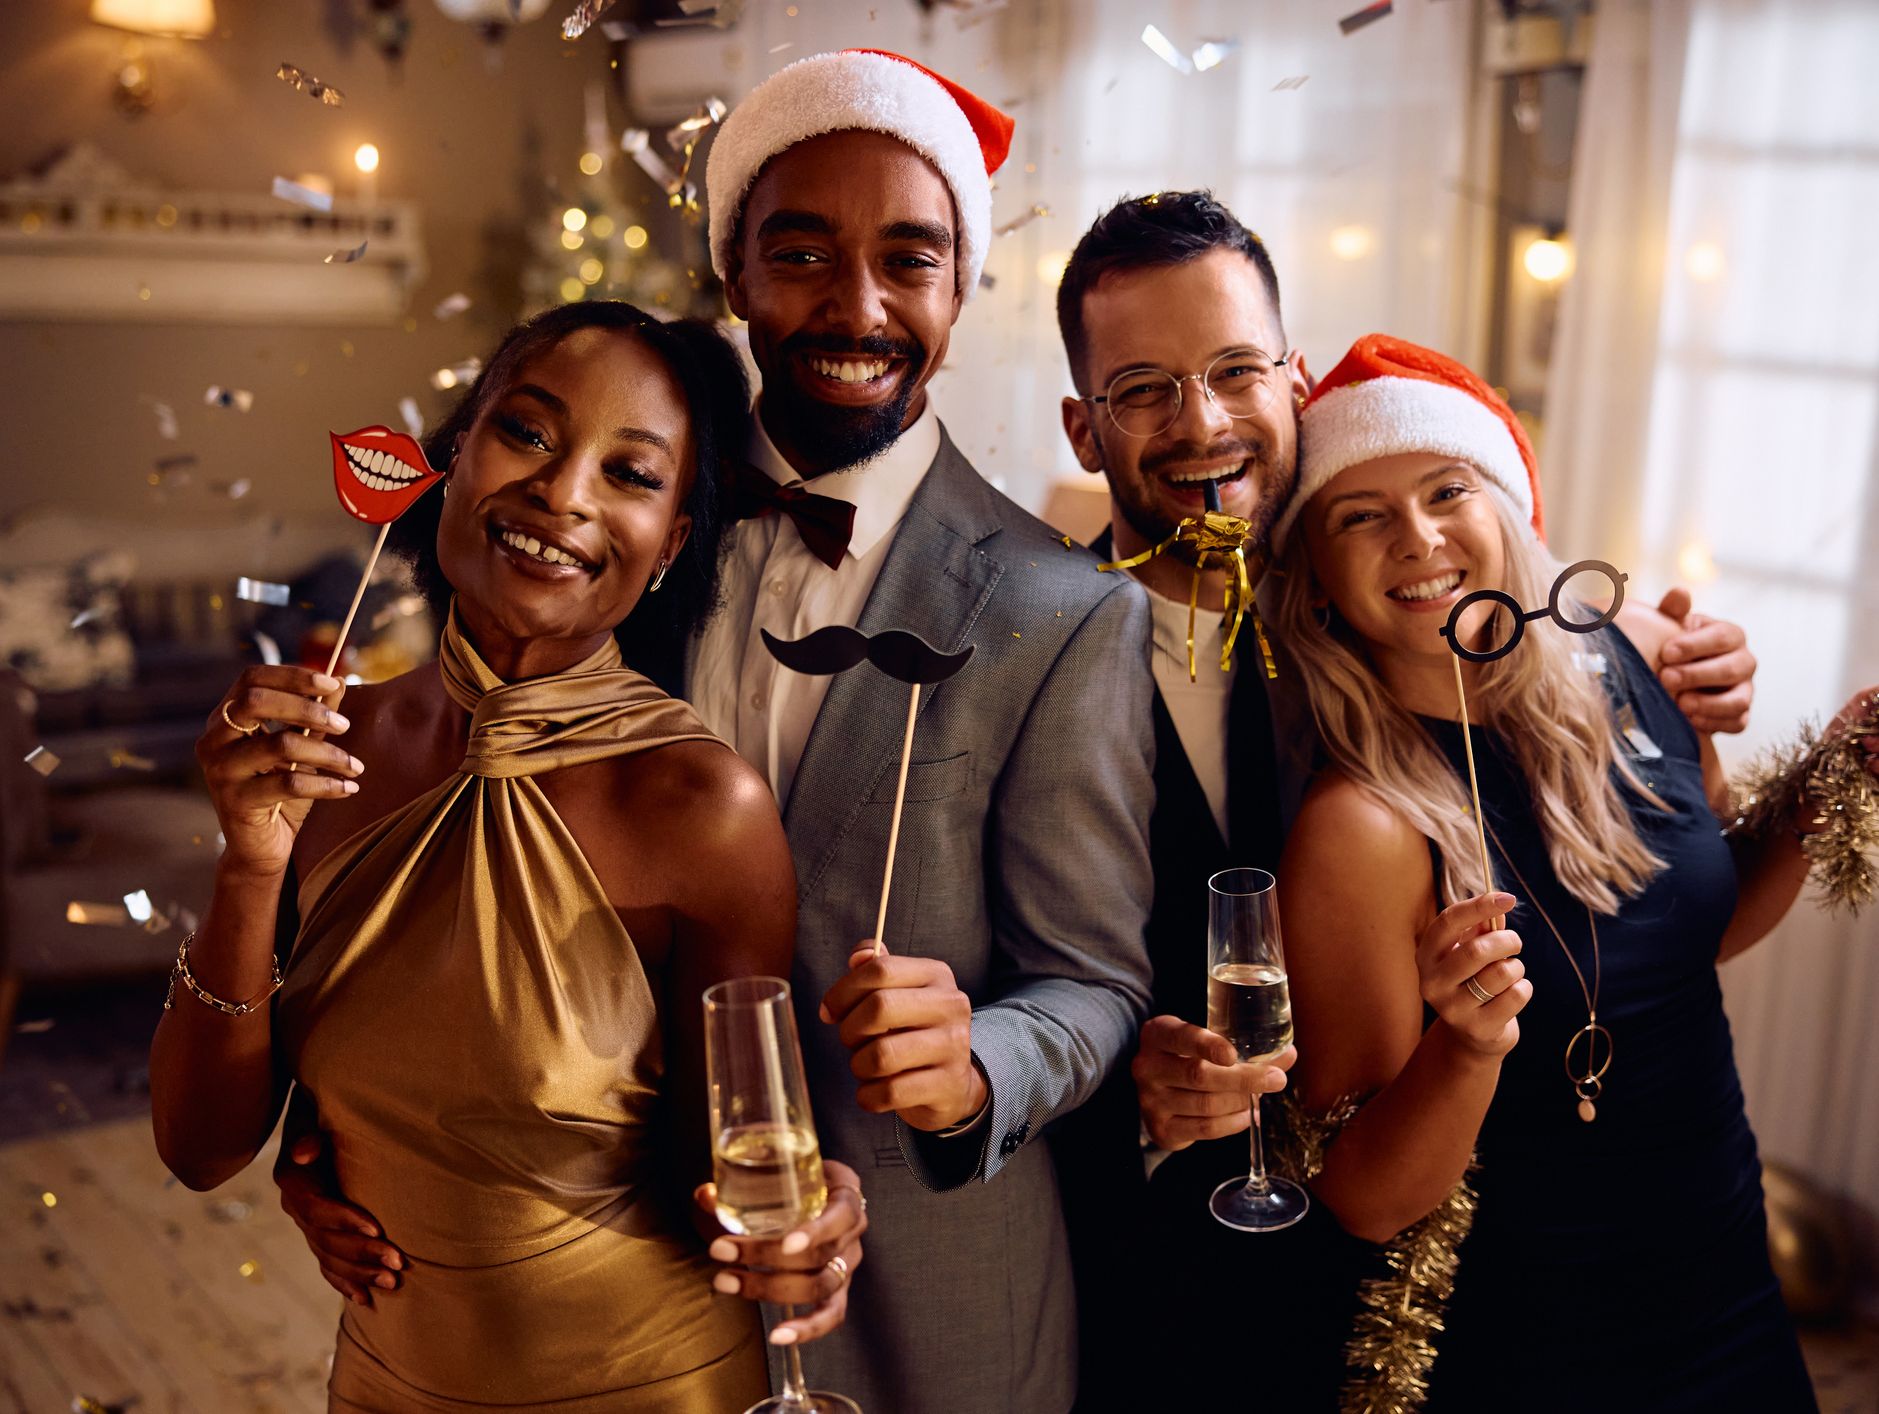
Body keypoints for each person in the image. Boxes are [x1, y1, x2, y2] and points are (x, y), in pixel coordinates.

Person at [280, 52, 1156, 1414]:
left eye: (908, 261)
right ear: (733, 272)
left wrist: (978, 1061)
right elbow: (444, 859)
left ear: (958, 289)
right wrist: (326, 1123)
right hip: (604, 1286)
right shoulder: (615, 521)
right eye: (799, 253)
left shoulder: (1062, 610)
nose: (855, 305)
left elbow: (1093, 981)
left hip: (924, 1299)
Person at [1048, 191, 1765, 1406]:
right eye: (1144, 389)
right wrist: (1131, 1081)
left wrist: (1673, 665)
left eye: (1235, 371)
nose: (1203, 421)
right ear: (1083, 428)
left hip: (1451, 1292)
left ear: (1293, 384)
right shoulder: (1030, 654)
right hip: (1176, 1296)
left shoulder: (1407, 625)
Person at [151, 301, 866, 1412]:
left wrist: (810, 1215)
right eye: (526, 433)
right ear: (449, 461)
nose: (563, 492)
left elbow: (722, 1173)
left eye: (630, 474)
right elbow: (199, 1151)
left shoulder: (700, 807)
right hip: (384, 1386)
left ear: (673, 543)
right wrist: (248, 864)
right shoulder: (323, 754)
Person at [1271, 332, 1867, 1409]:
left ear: (1506, 507)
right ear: (1315, 574)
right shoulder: (1358, 827)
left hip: (1727, 1278)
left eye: (1446, 489)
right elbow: (1365, 1197)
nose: (1417, 538)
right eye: (1359, 516)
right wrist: (1467, 1044)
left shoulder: (1633, 653)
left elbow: (1685, 939)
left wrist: (1833, 780)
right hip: (1535, 1337)